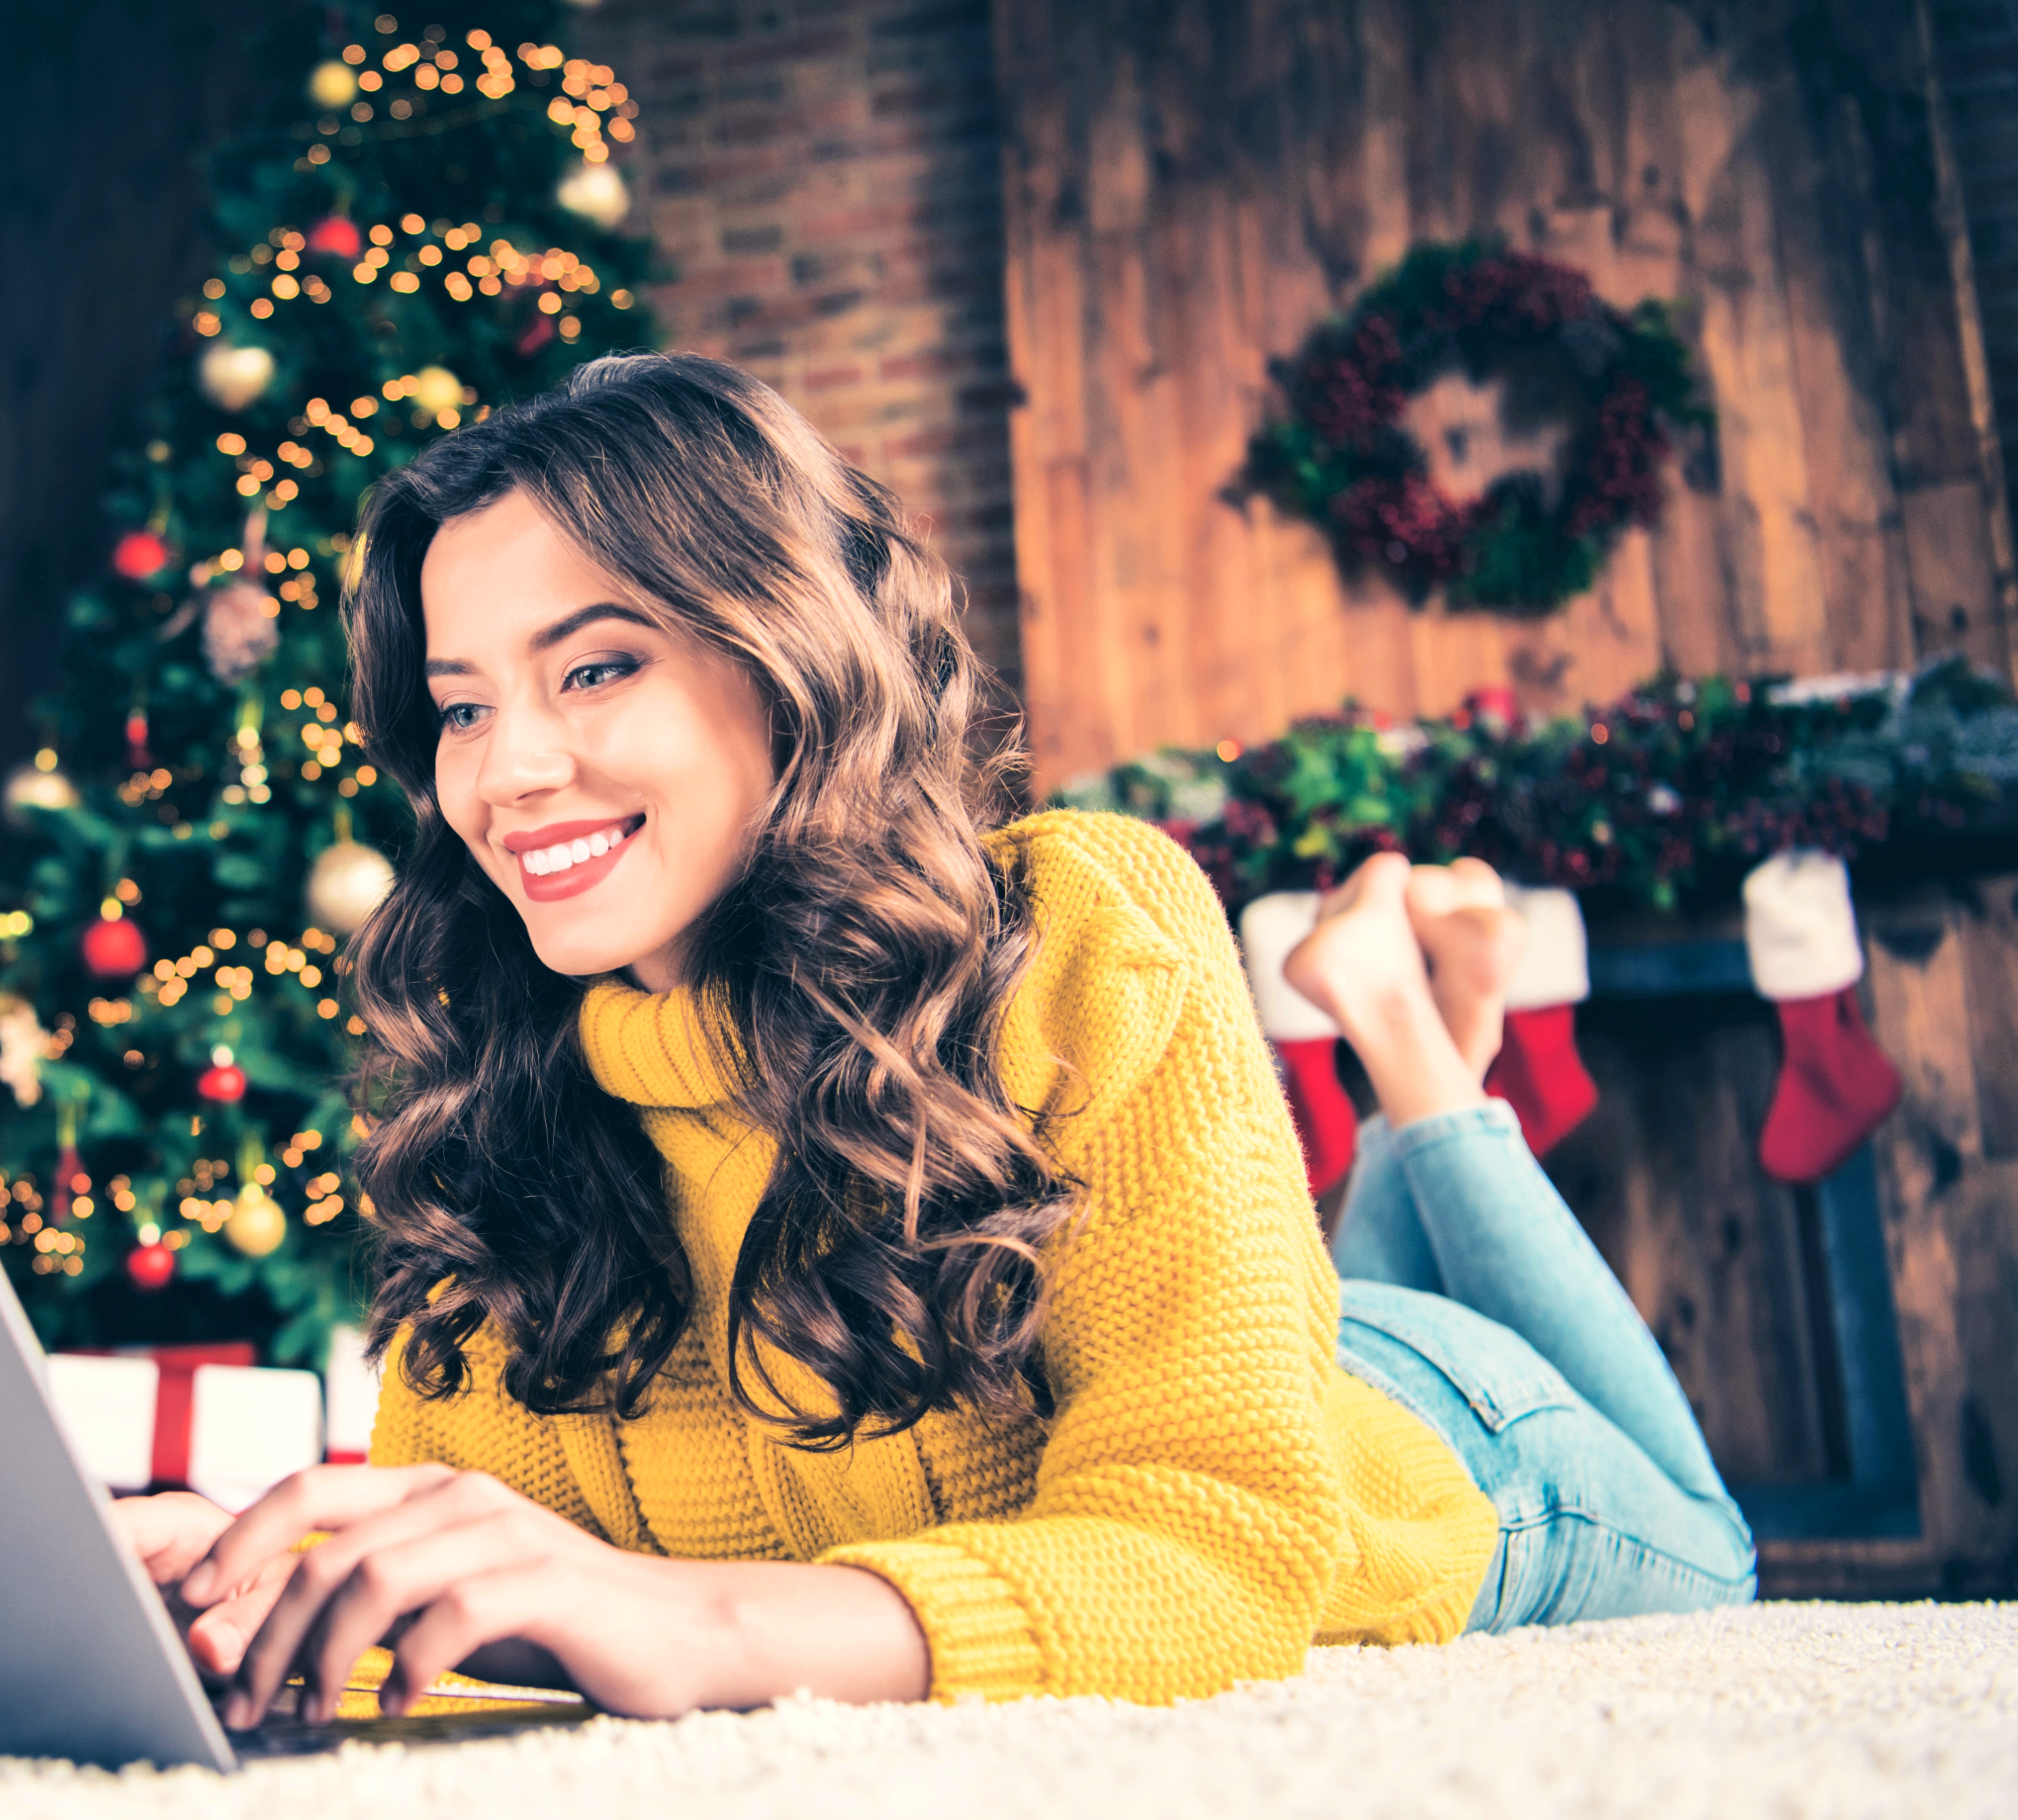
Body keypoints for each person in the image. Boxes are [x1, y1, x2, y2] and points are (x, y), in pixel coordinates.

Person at [114, 352, 1754, 1726]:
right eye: (464, 704)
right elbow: (524, 1583)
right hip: (1234, 1333)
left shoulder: (1078, 919)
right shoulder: (503, 1094)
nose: (508, 771)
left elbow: (1221, 1543)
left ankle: (1416, 1055)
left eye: (596, 667)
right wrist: (258, 1580)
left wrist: (706, 1627)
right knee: (1306, 1303)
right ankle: (1414, 1049)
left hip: (1442, 1443)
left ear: (789, 653)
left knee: (1719, 1545)